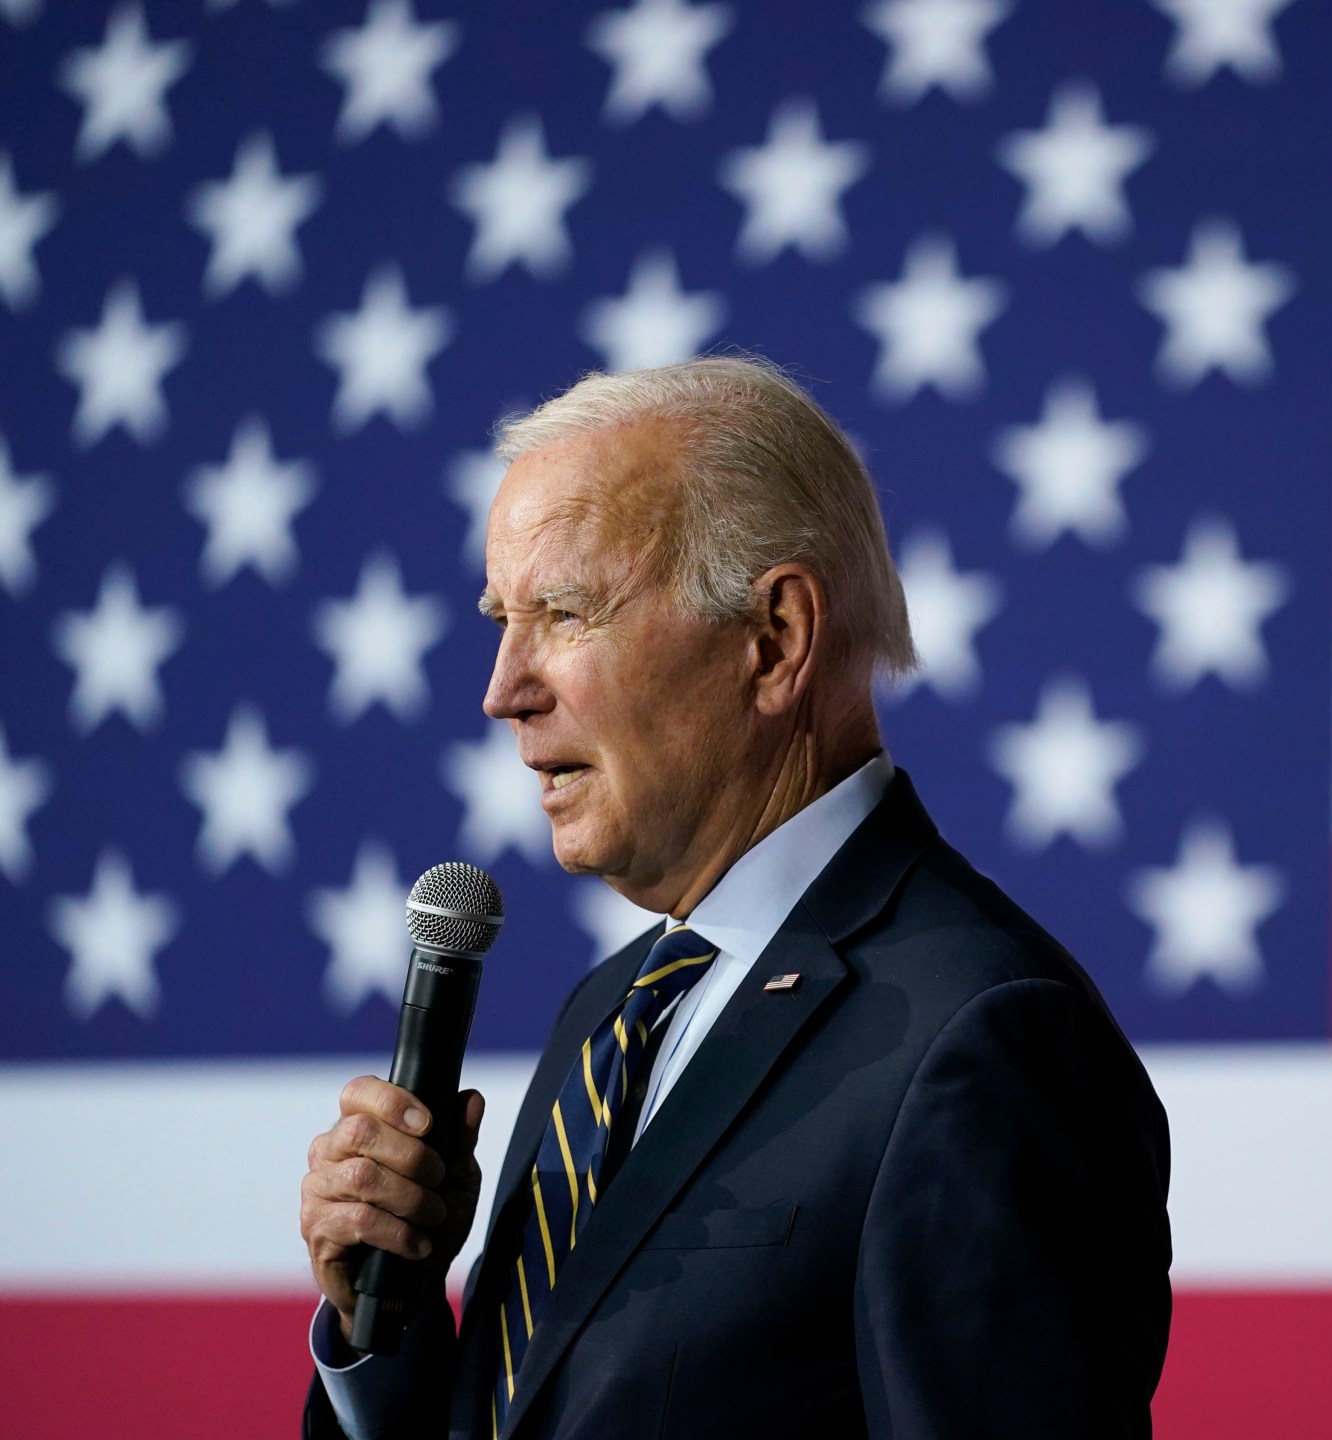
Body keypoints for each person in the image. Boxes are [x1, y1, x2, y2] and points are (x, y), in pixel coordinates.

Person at [295, 356, 1173, 1439]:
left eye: (565, 613)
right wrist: (387, 1322)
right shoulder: (607, 1019)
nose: (502, 691)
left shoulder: (983, 1038)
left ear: (774, 641)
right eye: (500, 620)